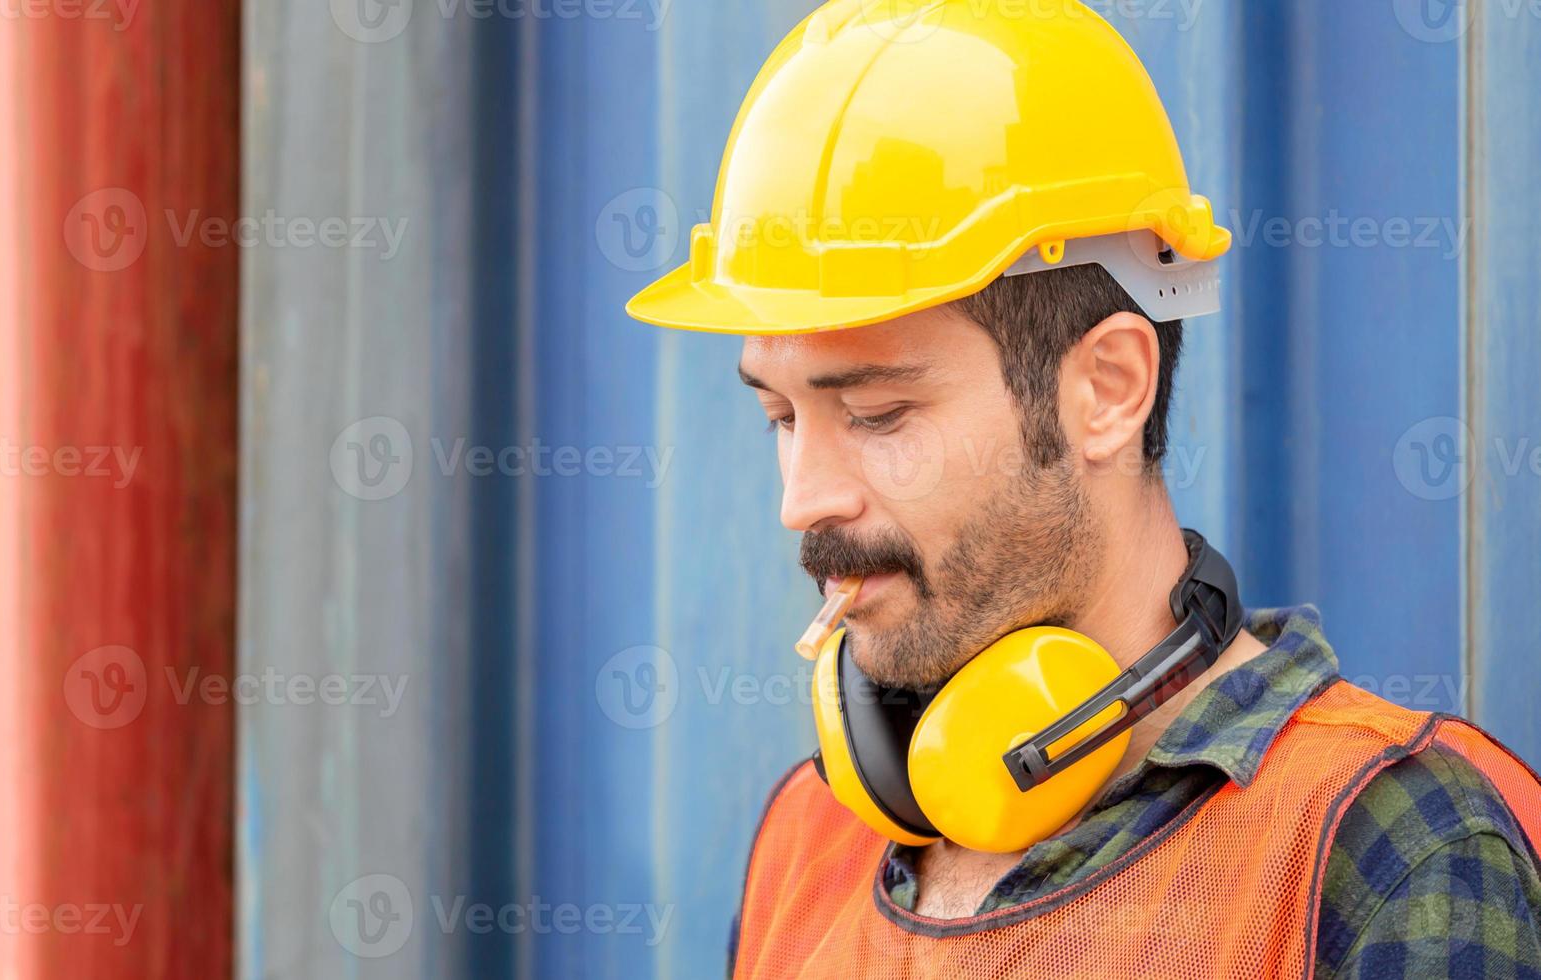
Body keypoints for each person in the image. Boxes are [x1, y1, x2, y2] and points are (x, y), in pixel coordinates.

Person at [626, 2, 1541, 976]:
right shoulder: (805, 840)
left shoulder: (1392, 847)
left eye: (879, 415)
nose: (802, 501)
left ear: (1106, 388)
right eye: (781, 417)